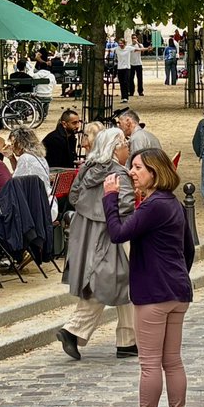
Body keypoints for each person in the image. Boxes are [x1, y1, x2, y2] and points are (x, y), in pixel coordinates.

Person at [103, 148, 194, 407]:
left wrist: (110, 198)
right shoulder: (174, 204)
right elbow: (188, 249)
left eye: (138, 167)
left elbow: (118, 233)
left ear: (155, 171)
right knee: (173, 361)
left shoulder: (154, 205)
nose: (132, 172)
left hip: (154, 293)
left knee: (151, 364)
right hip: (177, 291)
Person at [57, 127, 137, 361]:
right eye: (124, 145)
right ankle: (75, 330)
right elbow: (125, 207)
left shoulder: (86, 170)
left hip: (85, 233)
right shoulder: (120, 175)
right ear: (114, 148)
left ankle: (127, 340)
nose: (127, 149)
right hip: (111, 235)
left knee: (119, 283)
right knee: (116, 281)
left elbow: (73, 198)